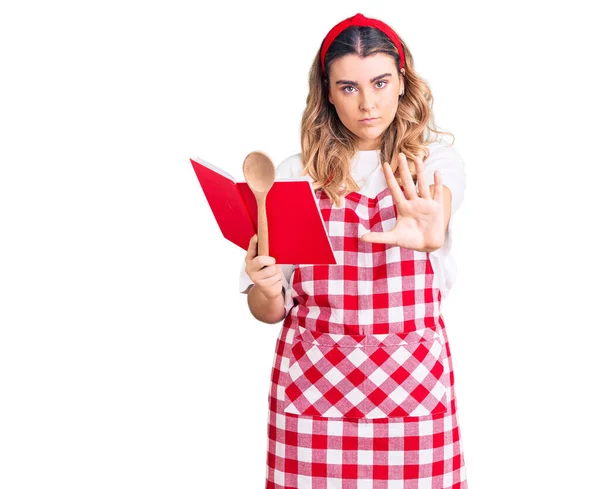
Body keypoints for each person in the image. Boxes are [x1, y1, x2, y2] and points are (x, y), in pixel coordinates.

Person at [239, 12, 468, 488]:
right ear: (326, 92)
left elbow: (439, 205)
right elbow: (269, 310)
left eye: (380, 82)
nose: (368, 103)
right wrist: (263, 286)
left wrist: (433, 229)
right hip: (314, 400)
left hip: (411, 395)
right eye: (348, 88)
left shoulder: (434, 164)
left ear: (402, 82)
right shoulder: (292, 175)